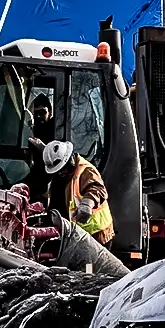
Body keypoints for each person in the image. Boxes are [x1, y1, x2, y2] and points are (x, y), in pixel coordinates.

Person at [30, 91, 113, 243]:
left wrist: (87, 204)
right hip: (77, 235)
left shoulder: (85, 170)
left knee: (89, 267)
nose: (59, 174)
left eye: (60, 170)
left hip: (96, 236)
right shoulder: (62, 173)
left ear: (68, 163)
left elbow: (98, 189)